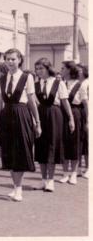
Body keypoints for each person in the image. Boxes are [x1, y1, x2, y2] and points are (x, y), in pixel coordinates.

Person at [0, 48, 42, 202]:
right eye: (8, 59)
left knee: (20, 151)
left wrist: (37, 122)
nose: (10, 62)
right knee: (8, 152)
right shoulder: (1, 79)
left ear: (19, 60)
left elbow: (32, 102)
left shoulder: (27, 78)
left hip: (22, 115)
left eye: (13, 59)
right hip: (6, 117)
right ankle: (15, 187)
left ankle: (18, 188)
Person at [34, 58, 74, 192]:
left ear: (48, 68)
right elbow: (34, 103)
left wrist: (71, 118)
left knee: (52, 146)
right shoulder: (35, 83)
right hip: (41, 114)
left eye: (41, 68)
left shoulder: (58, 83)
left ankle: (50, 180)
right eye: (37, 69)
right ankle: (43, 179)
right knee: (41, 146)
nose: (39, 71)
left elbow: (65, 102)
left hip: (55, 114)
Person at [58, 61, 88, 185]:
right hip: (62, 113)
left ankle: (74, 173)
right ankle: (65, 173)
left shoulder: (79, 85)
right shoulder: (60, 84)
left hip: (76, 113)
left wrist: (87, 121)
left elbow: (86, 104)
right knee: (63, 144)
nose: (61, 70)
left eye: (63, 68)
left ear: (70, 70)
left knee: (75, 143)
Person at [77, 64, 89, 178]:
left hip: (86, 114)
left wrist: (88, 119)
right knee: (81, 142)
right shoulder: (78, 84)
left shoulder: (87, 83)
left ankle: (89, 167)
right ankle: (80, 168)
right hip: (81, 114)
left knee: (87, 143)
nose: (78, 72)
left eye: (80, 70)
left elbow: (86, 103)